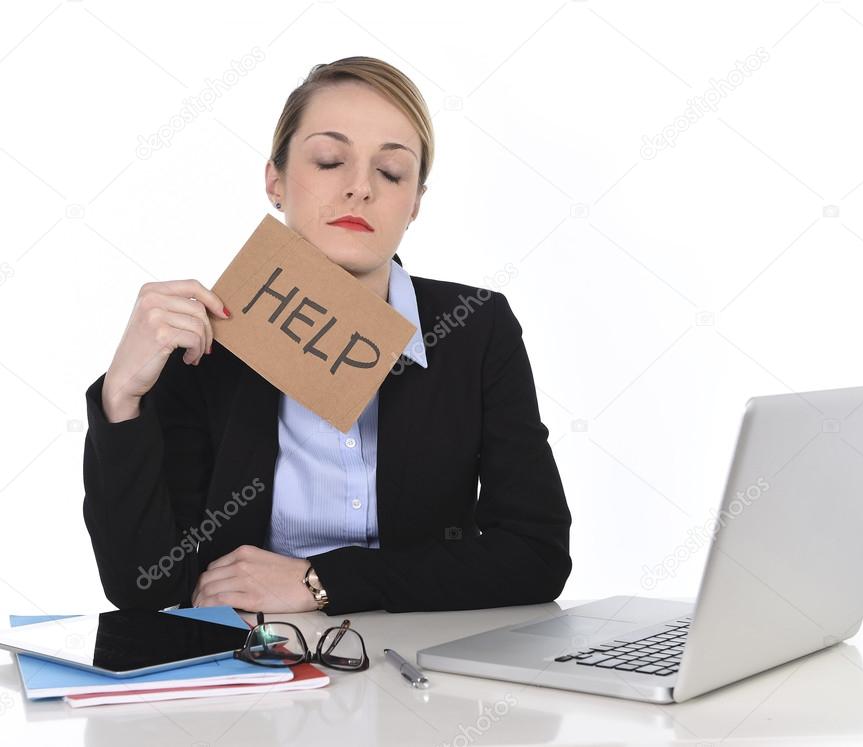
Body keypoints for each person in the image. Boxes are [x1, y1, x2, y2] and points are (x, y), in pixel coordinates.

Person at [82, 56, 571, 615]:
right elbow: (143, 586)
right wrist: (122, 398)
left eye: (390, 172)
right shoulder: (208, 344)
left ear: (414, 203)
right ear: (275, 181)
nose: (360, 188)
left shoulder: (476, 328)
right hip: (260, 666)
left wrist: (323, 581)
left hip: (424, 668)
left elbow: (536, 554)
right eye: (330, 160)